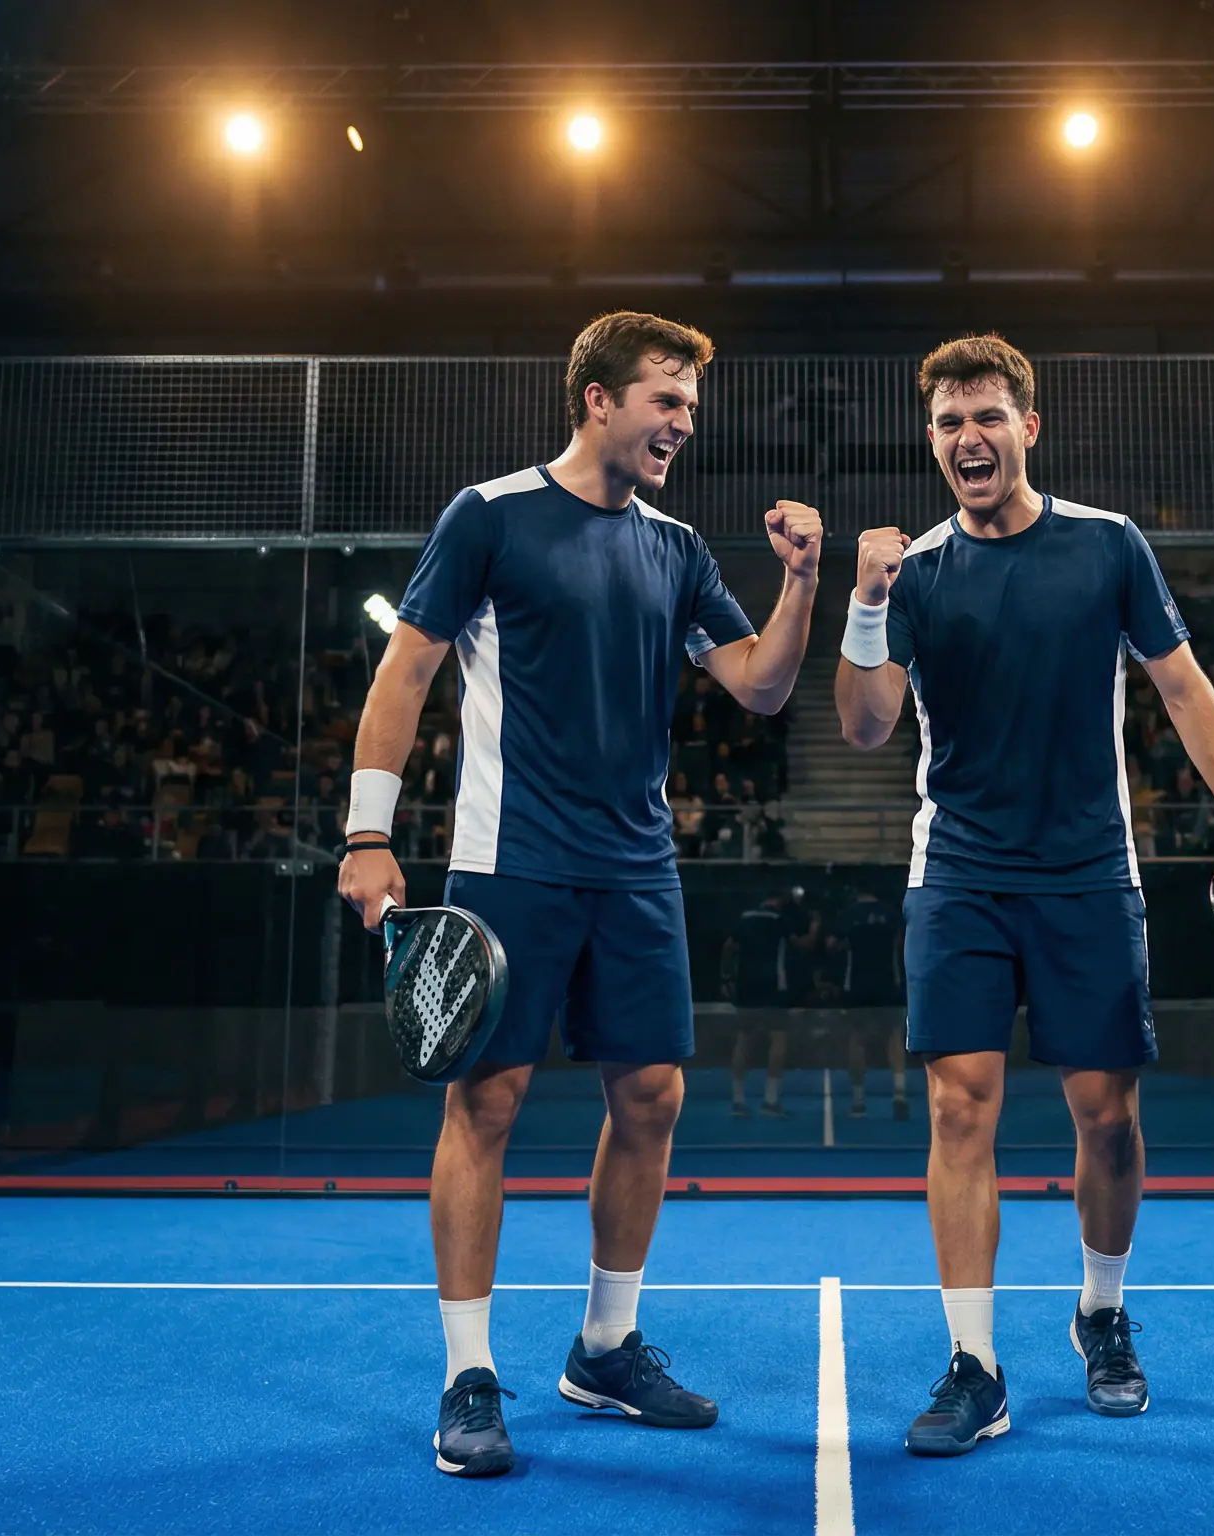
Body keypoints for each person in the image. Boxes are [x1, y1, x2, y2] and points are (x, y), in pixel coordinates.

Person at [336, 312, 824, 1478]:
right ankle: (467, 1376)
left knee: (651, 1095)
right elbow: (406, 668)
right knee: (487, 1104)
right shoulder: (489, 515)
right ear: (597, 399)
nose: (683, 422)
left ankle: (604, 1349)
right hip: (508, 860)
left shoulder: (677, 547)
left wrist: (804, 580)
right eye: (666, 398)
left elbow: (758, 686)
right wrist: (366, 832)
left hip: (636, 868)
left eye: (691, 406)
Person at [834, 335, 1214, 1456]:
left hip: (1089, 874)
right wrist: (866, 601)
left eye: (987, 416)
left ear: (1028, 428)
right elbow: (865, 725)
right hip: (960, 874)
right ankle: (973, 1363)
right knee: (959, 1110)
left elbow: (1183, 688)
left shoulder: (1108, 543)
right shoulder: (914, 572)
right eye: (949, 423)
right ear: (931, 439)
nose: (968, 438)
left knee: (1108, 1117)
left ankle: (1101, 1312)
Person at [829, 885, 909, 1119]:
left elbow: (831, 944)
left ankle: (858, 1101)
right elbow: (904, 942)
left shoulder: (848, 914)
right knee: (894, 1037)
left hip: (856, 985)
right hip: (888, 983)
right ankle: (899, 1093)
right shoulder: (891, 913)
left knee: (857, 1039)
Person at [725, 889, 796, 1118]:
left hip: (746, 985)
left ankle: (738, 1101)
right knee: (779, 1039)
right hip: (774, 986)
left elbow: (729, 946)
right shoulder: (780, 920)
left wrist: (726, 977)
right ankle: (770, 1100)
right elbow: (799, 945)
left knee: (744, 1038)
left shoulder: (745, 918)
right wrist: (815, 928)